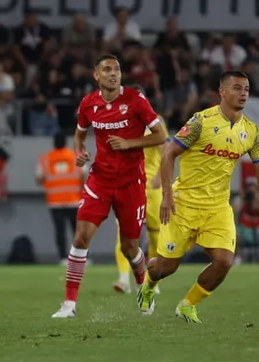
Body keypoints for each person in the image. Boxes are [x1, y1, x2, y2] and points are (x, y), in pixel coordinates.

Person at [139, 71, 259, 323]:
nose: (243, 93)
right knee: (165, 267)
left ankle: (188, 304)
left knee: (224, 261)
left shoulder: (251, 131)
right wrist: (167, 196)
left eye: (246, 89)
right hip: (183, 204)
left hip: (217, 207)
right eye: (237, 88)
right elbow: (169, 154)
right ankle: (149, 283)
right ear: (222, 92)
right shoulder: (200, 122)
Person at [52, 55, 167, 319]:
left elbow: (161, 136)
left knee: (130, 247)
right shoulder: (88, 103)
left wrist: (129, 144)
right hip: (100, 181)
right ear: (96, 75)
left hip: (131, 183)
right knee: (81, 236)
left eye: (116, 69)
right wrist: (79, 153)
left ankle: (143, 287)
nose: (113, 73)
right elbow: (80, 135)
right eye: (107, 69)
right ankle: (69, 304)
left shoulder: (136, 100)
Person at [113, 85, 167, 294]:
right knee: (124, 235)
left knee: (155, 236)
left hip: (151, 187)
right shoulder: (118, 122)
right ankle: (123, 279)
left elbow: (165, 151)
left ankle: (153, 281)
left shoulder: (155, 122)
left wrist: (159, 176)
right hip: (128, 185)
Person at [36, 133, 82, 263]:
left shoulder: (46, 158)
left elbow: (39, 179)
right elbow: (84, 176)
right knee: (77, 231)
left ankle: (63, 257)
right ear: (66, 143)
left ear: (53, 143)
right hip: (74, 200)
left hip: (55, 201)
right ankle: (81, 257)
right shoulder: (75, 156)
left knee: (60, 230)